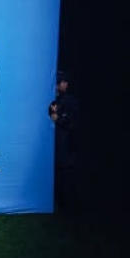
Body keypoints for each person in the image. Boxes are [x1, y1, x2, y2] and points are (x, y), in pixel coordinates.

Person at [48, 70, 80, 213]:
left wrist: (58, 118)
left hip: (67, 147)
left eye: (64, 82)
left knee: (66, 175)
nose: (64, 84)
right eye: (61, 82)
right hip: (56, 146)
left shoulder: (70, 101)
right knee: (59, 175)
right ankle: (59, 203)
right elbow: (51, 114)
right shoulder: (54, 101)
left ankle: (67, 206)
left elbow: (71, 122)